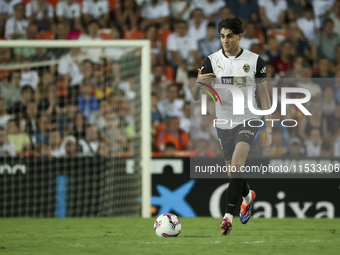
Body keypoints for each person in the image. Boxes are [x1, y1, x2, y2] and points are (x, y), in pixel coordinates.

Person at [191, 17, 272, 236]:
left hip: (248, 118)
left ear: (239, 36)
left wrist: (269, 127)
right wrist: (198, 83)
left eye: (229, 36)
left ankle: (227, 218)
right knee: (232, 171)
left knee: (236, 165)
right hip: (224, 122)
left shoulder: (255, 61)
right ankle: (248, 196)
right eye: (222, 36)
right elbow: (195, 96)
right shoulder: (212, 60)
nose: (225, 40)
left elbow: (264, 96)